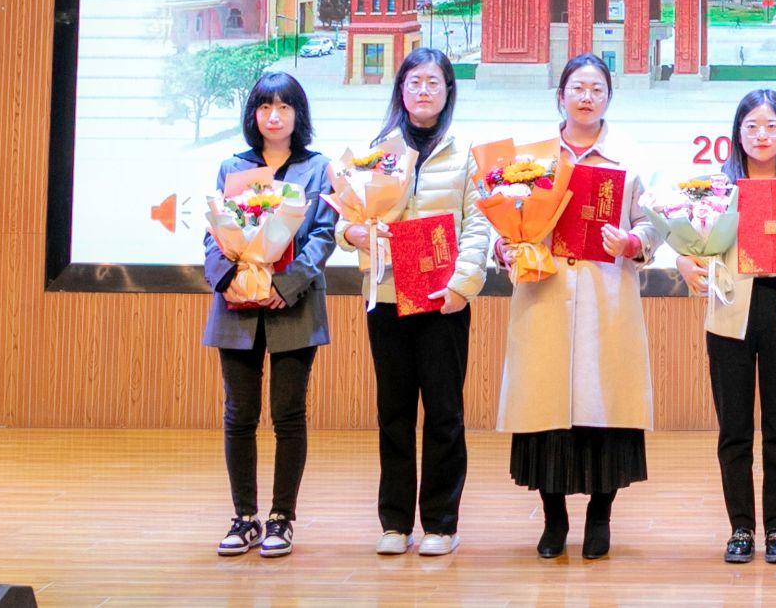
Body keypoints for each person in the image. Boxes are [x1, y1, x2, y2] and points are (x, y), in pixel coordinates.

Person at [496, 54, 657, 562]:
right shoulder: (531, 159)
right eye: (577, 88)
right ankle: (553, 519)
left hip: (606, 299)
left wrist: (633, 242)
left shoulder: (628, 156)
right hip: (544, 297)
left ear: (609, 97)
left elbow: (653, 222)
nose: (587, 98)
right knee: (545, 410)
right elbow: (505, 223)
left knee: (604, 408)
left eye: (597, 89)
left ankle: (600, 516)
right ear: (560, 95)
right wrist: (504, 247)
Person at [338, 48, 492, 558]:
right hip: (386, 295)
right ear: (400, 90)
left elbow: (479, 226)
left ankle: (441, 524)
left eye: (433, 82)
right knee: (394, 412)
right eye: (414, 82)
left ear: (448, 91)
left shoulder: (467, 154)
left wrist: (462, 286)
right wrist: (350, 233)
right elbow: (350, 217)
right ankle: (395, 522)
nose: (423, 91)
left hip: (443, 299)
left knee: (445, 412)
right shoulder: (377, 152)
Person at [677, 89, 776, 565]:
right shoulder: (716, 188)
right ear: (737, 134)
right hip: (730, 312)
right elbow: (692, 246)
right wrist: (684, 261)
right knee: (734, 429)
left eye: (771, 126)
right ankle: (740, 527)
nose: (761, 135)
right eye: (752, 126)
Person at [203, 71, 338, 559]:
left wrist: (287, 284)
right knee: (239, 414)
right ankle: (245, 518)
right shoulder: (232, 166)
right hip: (236, 307)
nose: (274, 116)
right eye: (264, 107)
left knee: (288, 414)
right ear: (253, 114)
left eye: (283, 107)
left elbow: (323, 233)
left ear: (298, 114)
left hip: (293, 305)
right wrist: (228, 278)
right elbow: (214, 234)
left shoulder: (317, 168)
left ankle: (282, 517)